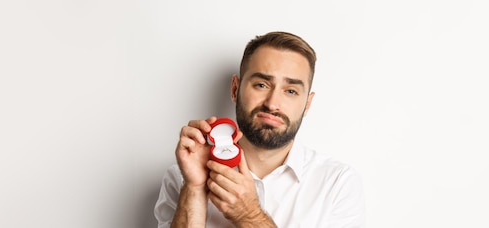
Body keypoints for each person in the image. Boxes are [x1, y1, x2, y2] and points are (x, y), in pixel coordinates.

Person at [154, 31, 366, 228]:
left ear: (307, 104)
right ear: (235, 89)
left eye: (291, 91)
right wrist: (195, 189)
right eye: (262, 85)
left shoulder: (337, 183)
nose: (273, 103)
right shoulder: (183, 177)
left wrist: (250, 216)